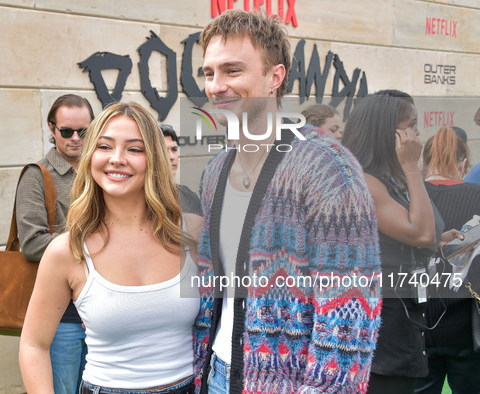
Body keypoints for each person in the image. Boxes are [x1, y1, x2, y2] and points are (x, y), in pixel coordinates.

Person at [193, 10, 382, 393]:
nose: (216, 86)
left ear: (274, 78)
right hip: (215, 374)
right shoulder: (215, 171)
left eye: (232, 71)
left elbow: (351, 312)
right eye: (209, 73)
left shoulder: (326, 165)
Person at [19, 102, 200, 394]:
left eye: (134, 149)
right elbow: (33, 344)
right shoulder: (66, 250)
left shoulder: (192, 232)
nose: (117, 158)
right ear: (91, 155)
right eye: (104, 146)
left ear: (154, 158)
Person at [342, 90, 444, 394]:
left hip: (406, 314)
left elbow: (430, 234)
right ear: (388, 131)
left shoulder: (392, 177)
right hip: (382, 326)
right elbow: (422, 233)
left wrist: (443, 243)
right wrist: (413, 167)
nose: (417, 134)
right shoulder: (363, 180)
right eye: (411, 125)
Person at [15, 94, 94, 394]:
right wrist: (92, 243)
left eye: (83, 131)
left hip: (98, 312)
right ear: (51, 129)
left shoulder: (98, 172)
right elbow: (32, 244)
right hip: (61, 317)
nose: (76, 139)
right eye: (66, 131)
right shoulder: (38, 175)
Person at [413, 126, 480, 393]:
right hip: (467, 328)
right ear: (463, 163)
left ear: (422, 161)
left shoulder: (406, 199)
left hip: (415, 327)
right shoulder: (476, 196)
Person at [160, 124, 202, 215]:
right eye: (163, 150)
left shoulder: (189, 196)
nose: (171, 157)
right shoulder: (138, 198)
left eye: (174, 149)